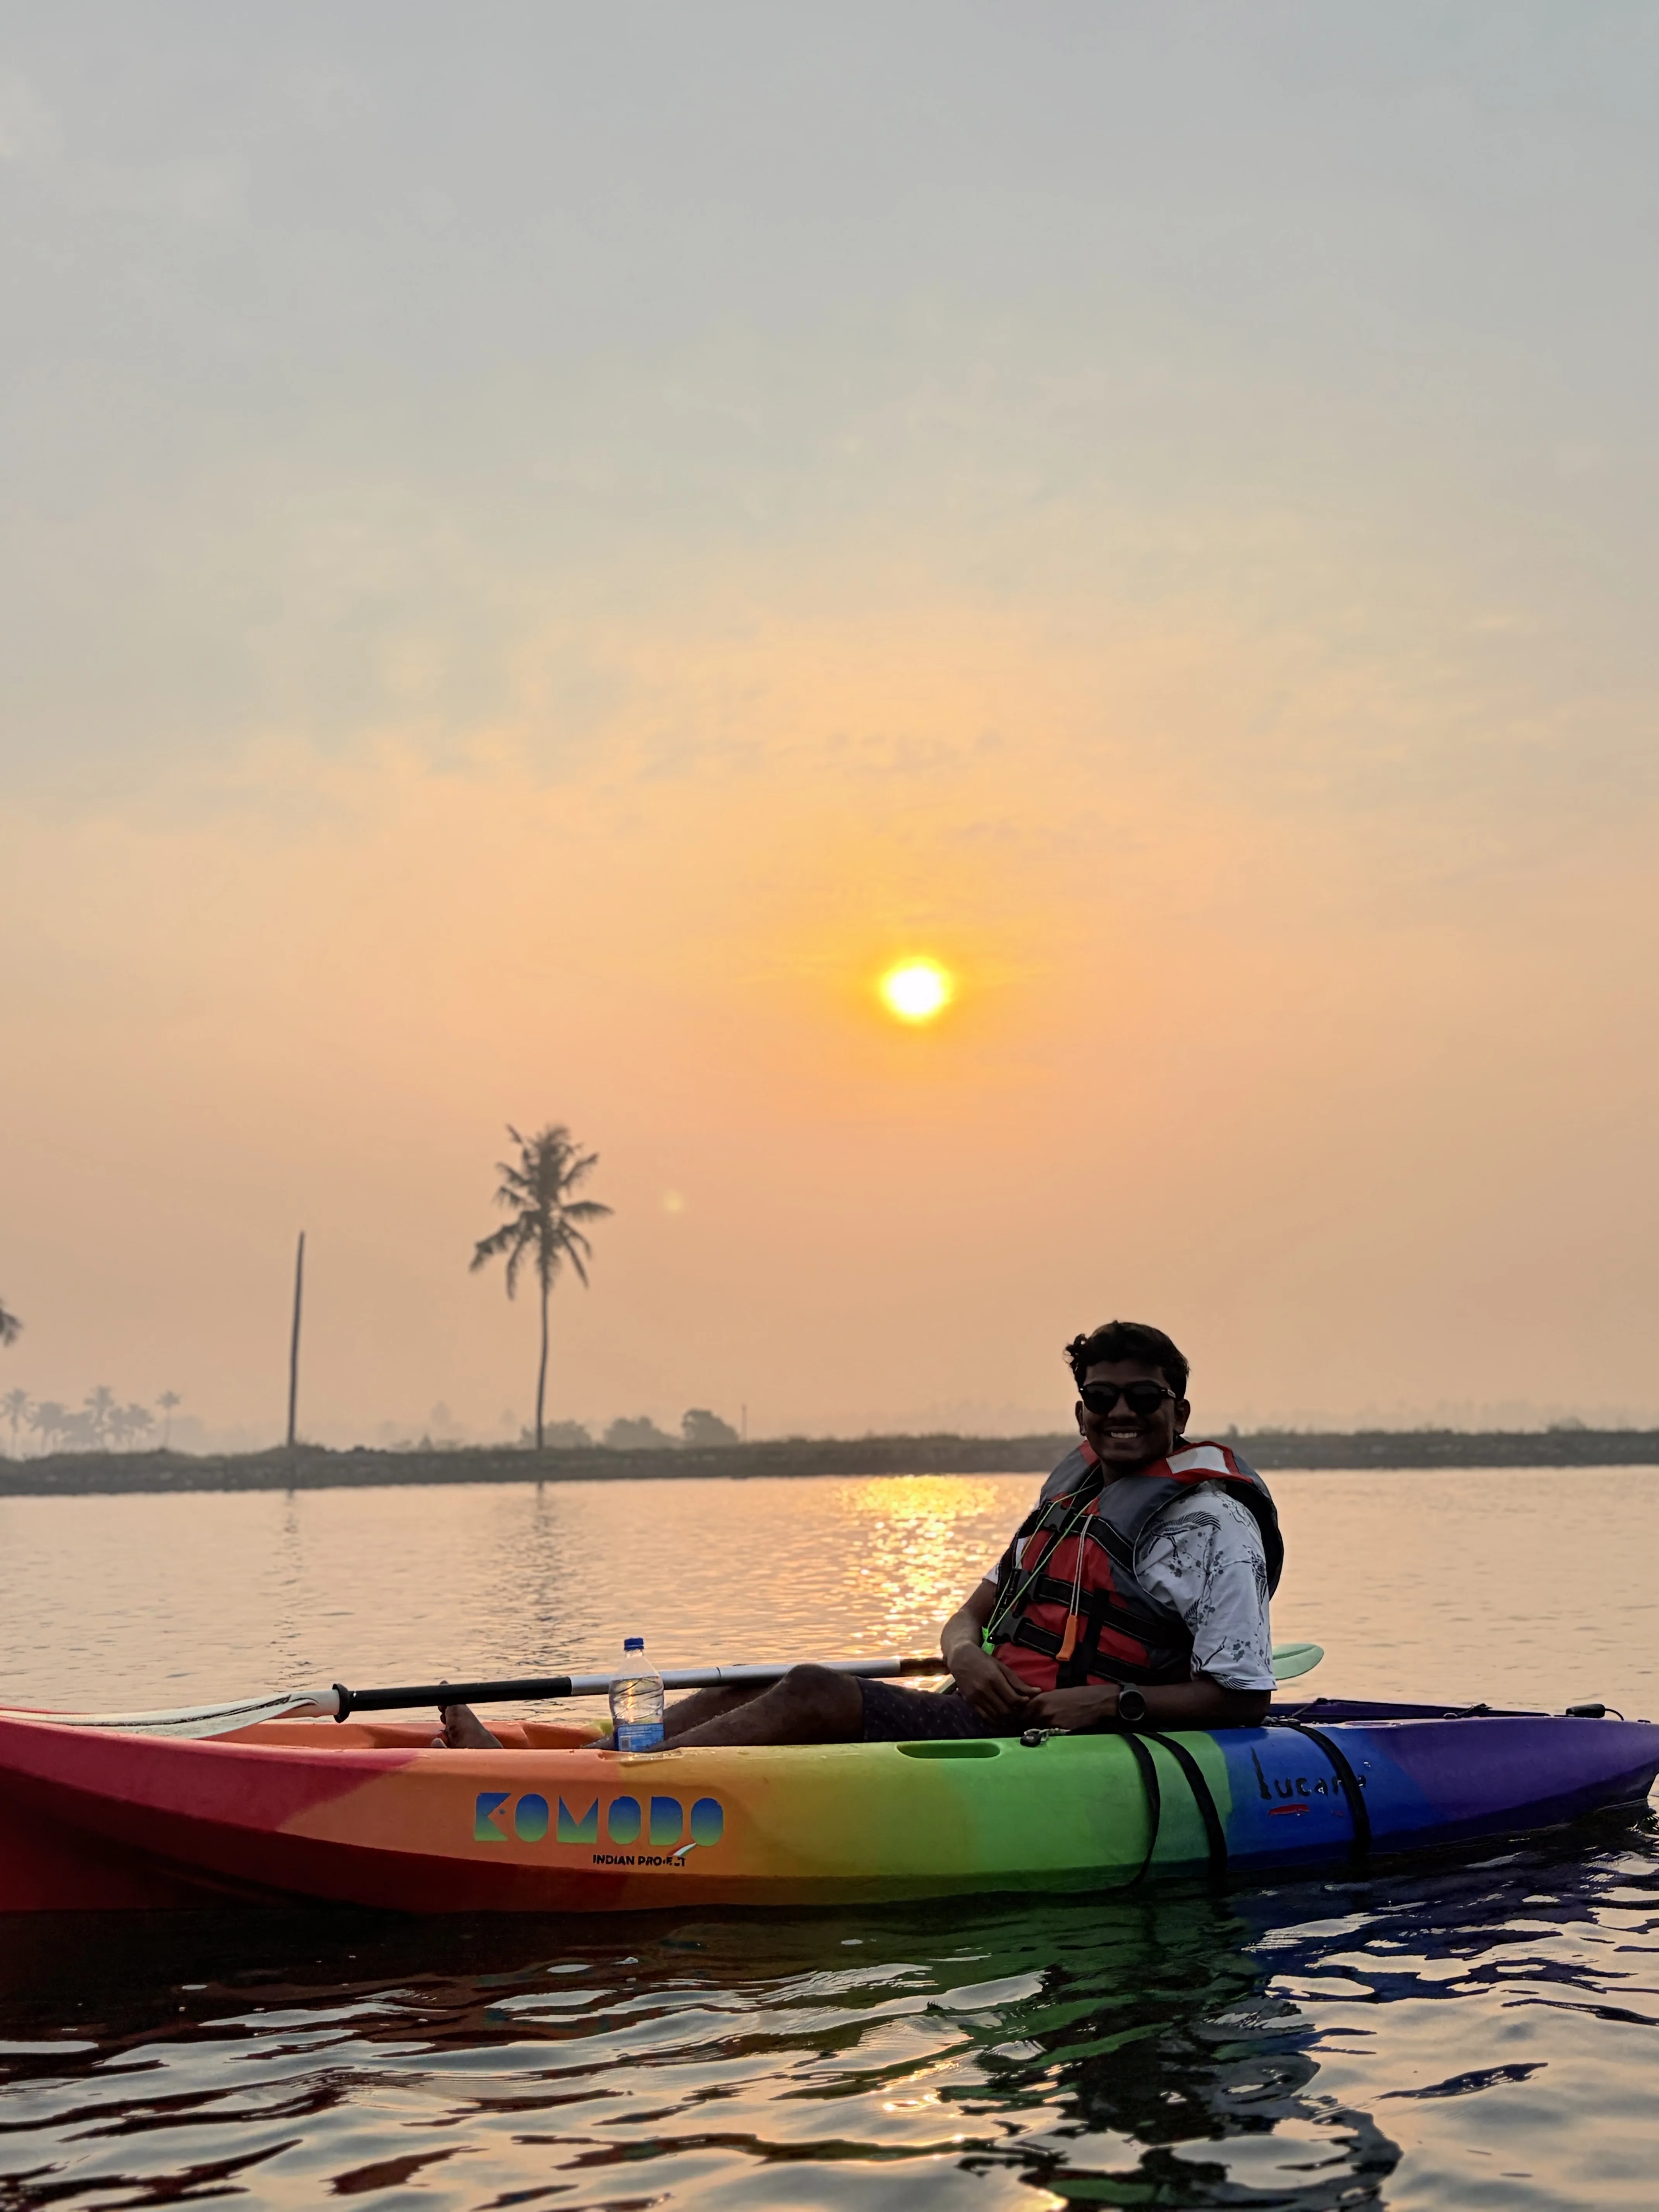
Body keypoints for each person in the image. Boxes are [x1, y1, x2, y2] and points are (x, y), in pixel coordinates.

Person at [434, 1320, 1281, 1751]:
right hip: (986, 1712)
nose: (1122, 1414)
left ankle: (590, 1792)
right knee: (753, 1685)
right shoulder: (1075, 1491)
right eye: (1104, 1399)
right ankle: (590, 1760)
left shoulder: (1213, 1523)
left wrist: (1103, 1701)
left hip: (1062, 1742)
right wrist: (967, 1658)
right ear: (1081, 1411)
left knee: (814, 1689)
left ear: (1181, 1412)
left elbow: (1244, 1699)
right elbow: (969, 1614)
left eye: (1144, 1398)